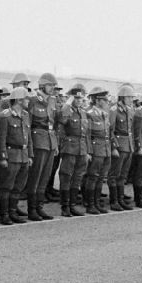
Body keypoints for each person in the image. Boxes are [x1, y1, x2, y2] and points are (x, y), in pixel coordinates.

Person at [0, 87, 33, 226]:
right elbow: (1, 138)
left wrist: (30, 155)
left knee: (18, 186)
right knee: (6, 186)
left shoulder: (25, 115)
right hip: (11, 155)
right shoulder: (5, 116)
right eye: (26, 98)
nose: (28, 100)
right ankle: (4, 215)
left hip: (23, 155)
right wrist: (2, 157)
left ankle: (12, 212)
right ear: (19, 99)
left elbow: (28, 137)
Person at [24, 73, 59, 221]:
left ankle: (39, 207)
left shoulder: (52, 101)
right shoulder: (32, 100)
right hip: (37, 142)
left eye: (53, 86)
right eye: (50, 85)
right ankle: (31, 209)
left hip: (50, 142)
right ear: (42, 85)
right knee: (35, 177)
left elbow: (53, 125)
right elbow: (27, 125)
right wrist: (29, 148)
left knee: (44, 177)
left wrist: (55, 144)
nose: (52, 88)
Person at [56, 83, 91, 217]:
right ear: (71, 99)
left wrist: (87, 151)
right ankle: (65, 206)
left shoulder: (83, 112)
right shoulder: (67, 110)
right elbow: (62, 120)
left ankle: (72, 205)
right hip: (70, 147)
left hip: (81, 148)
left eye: (81, 98)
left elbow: (86, 133)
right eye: (76, 98)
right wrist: (67, 104)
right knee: (66, 176)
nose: (79, 101)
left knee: (77, 177)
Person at [83, 86, 113, 215]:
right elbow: (87, 135)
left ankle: (96, 202)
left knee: (101, 177)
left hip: (105, 148)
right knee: (93, 176)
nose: (107, 102)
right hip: (96, 148)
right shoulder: (89, 114)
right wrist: (88, 152)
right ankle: (90, 204)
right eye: (104, 100)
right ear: (97, 100)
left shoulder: (104, 114)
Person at [107, 85, 137, 211]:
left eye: (131, 97)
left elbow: (131, 129)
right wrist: (113, 146)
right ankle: (114, 201)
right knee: (114, 174)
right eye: (129, 97)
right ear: (122, 97)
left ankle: (120, 199)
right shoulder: (114, 110)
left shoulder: (129, 109)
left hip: (128, 145)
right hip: (119, 145)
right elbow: (110, 130)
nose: (131, 99)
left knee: (123, 175)